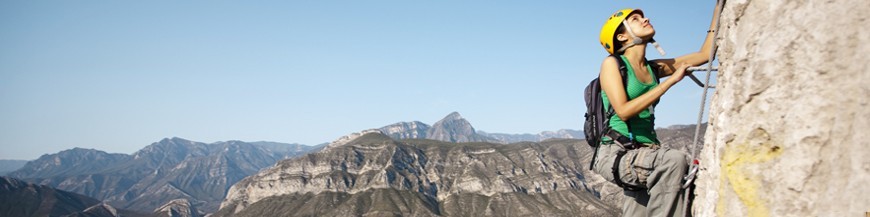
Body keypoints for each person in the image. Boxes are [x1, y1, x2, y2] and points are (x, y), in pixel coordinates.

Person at [590, 4, 720, 217]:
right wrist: (669, 83)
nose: (645, 19)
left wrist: (717, 10)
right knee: (673, 161)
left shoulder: (654, 68)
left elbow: (706, 54)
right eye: (634, 19)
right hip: (616, 154)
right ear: (622, 37)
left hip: (645, 153)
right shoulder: (612, 65)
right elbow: (623, 111)